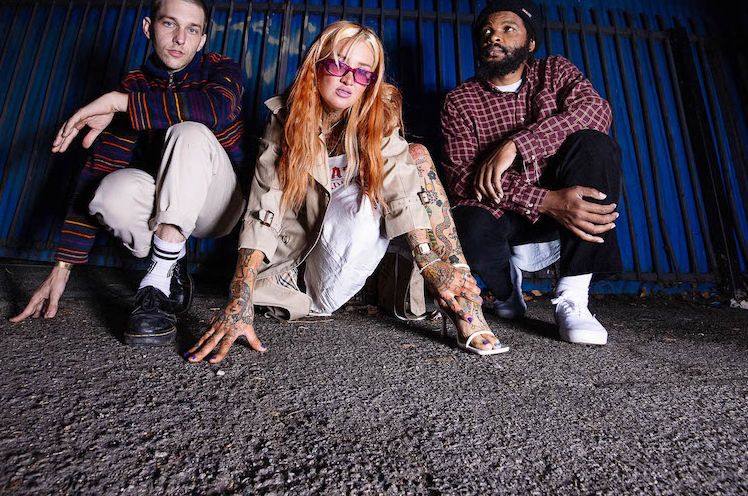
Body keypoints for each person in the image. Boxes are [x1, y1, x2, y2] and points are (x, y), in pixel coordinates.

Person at [186, 20, 507, 363]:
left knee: (415, 157)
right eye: (338, 65)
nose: (349, 80)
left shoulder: (378, 116)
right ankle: (439, 295)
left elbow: (402, 191)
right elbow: (264, 206)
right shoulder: (286, 119)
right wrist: (239, 299)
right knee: (383, 184)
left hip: (357, 251)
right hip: (307, 271)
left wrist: (430, 263)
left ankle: (465, 309)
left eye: (363, 72)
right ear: (316, 65)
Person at [9, 0, 246, 347]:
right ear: (148, 27)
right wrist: (63, 267)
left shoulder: (220, 69)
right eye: (169, 24)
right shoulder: (133, 85)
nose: (180, 39)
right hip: (168, 205)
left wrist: (121, 103)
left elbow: (216, 109)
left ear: (202, 40)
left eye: (192, 29)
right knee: (108, 192)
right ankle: (169, 267)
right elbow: (98, 169)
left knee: (189, 131)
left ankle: (153, 284)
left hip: (220, 206)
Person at [441, 0, 622, 345]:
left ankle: (573, 296)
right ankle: (507, 290)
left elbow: (596, 112)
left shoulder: (555, 71)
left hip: (568, 209)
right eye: (487, 32)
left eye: (508, 29)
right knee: (465, 221)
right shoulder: (460, 100)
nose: (494, 37)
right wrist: (544, 200)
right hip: (506, 212)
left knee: (595, 145)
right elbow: (462, 178)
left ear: (531, 43)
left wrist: (516, 145)